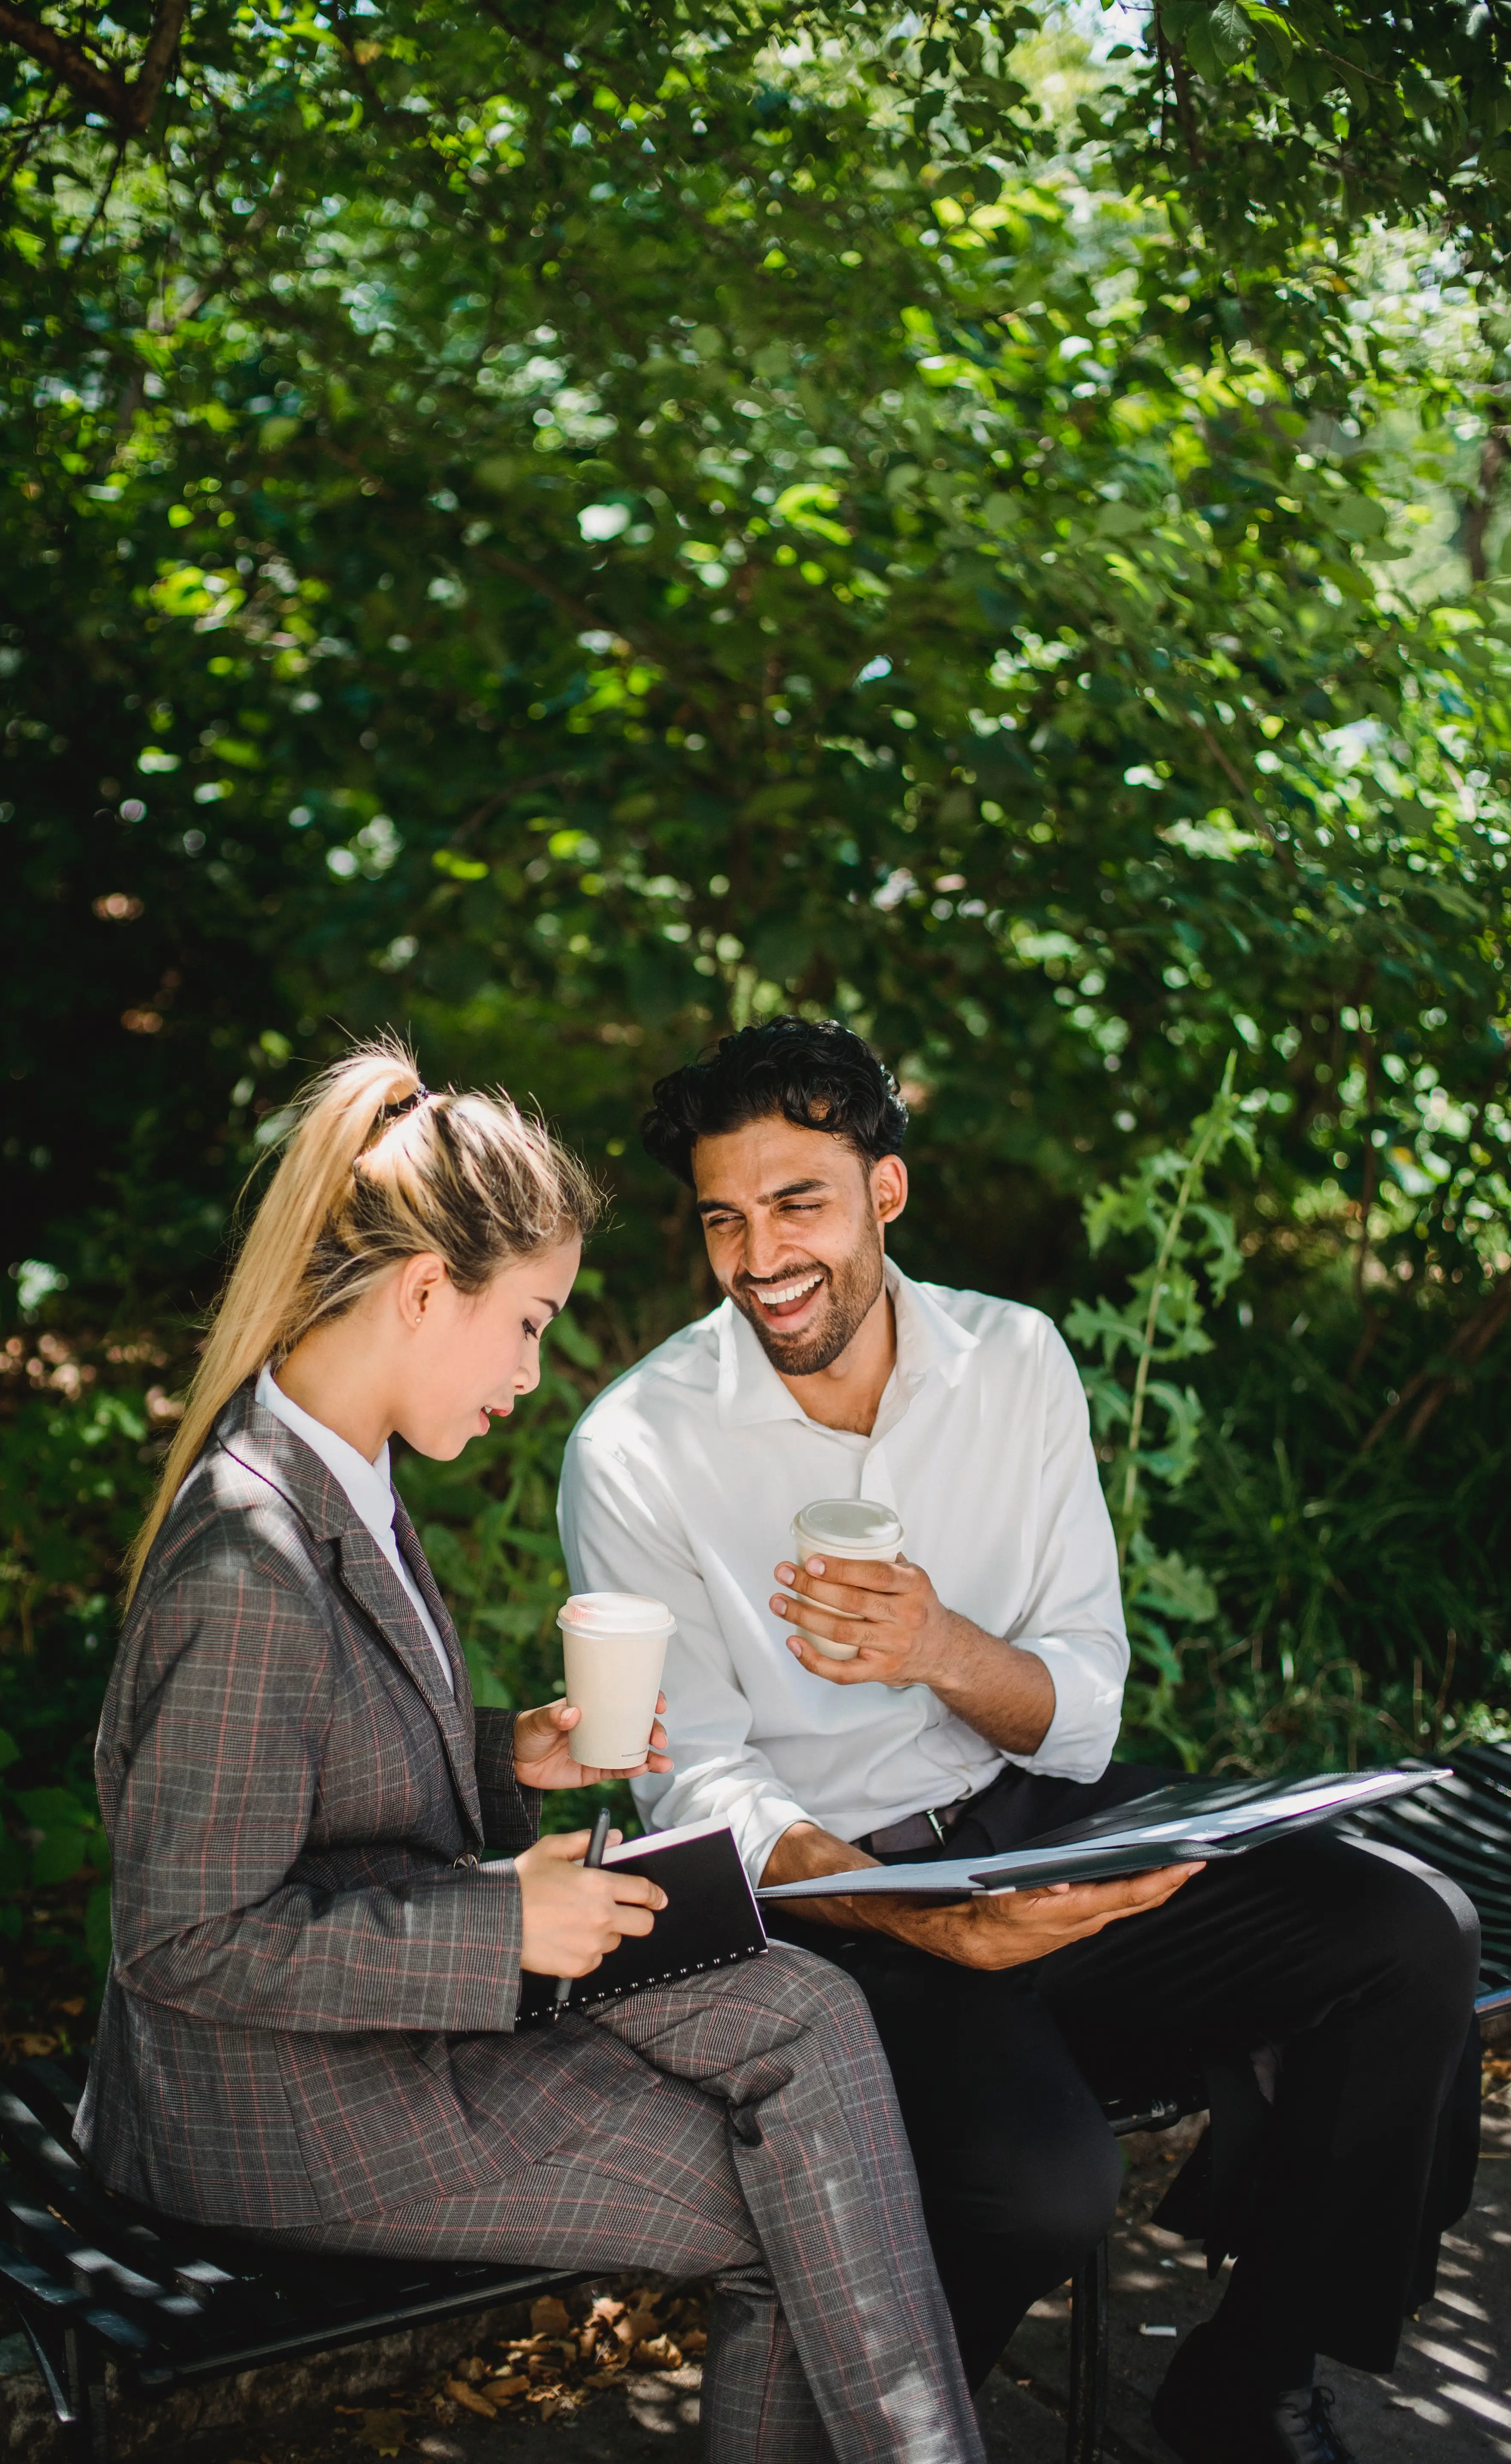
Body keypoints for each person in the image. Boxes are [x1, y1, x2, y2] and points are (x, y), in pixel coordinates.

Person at [557, 1016, 1482, 2464]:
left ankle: (1249, 2379)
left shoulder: (1016, 1361)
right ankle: (881, 2437)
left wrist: (941, 1649)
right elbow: (698, 1789)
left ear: (887, 1191)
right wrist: (921, 1921)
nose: (760, 1256)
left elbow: (1087, 1703)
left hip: (1032, 1825)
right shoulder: (636, 1447)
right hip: (834, 1907)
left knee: (1411, 1935)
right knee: (1046, 2186)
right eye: (725, 1218)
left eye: (799, 1203)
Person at [76, 1040, 983, 2464]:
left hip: (387, 2016)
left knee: (808, 2014)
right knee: (806, 2209)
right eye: (527, 1324)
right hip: (281, 2111)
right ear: (424, 1291)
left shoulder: (342, 1469)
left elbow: (321, 1771)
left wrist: (508, 1758)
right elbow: (185, 1939)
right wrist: (506, 1925)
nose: (532, 1372)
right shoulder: (247, 1562)